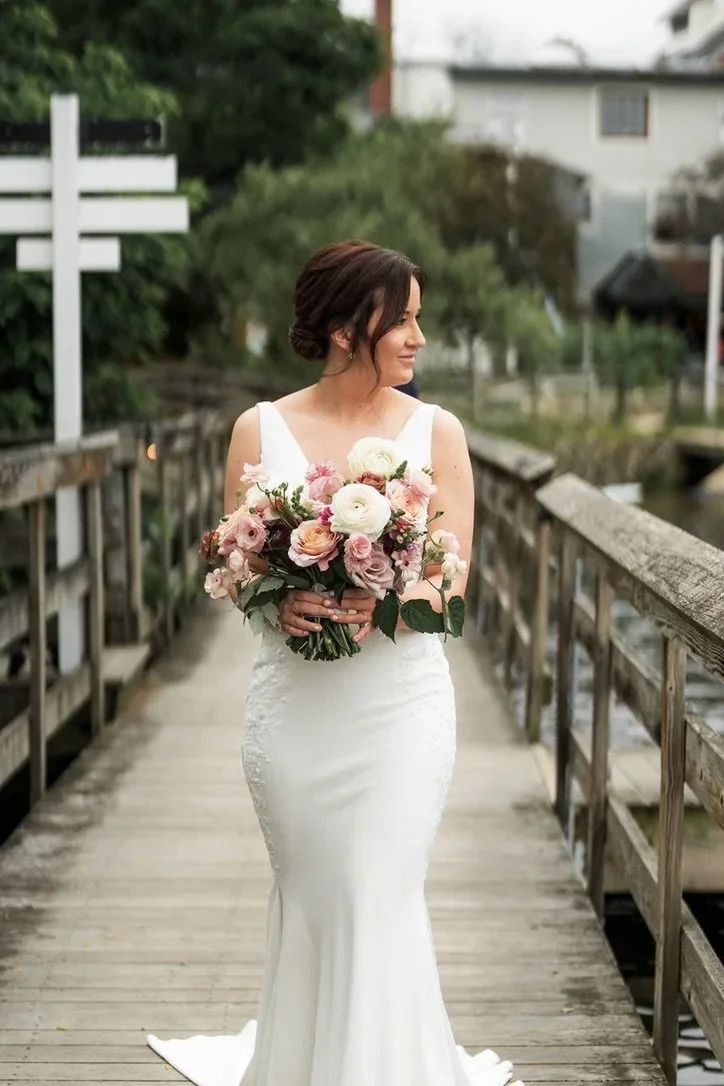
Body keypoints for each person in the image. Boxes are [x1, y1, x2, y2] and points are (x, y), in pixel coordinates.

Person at [147, 241, 521, 1086]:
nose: (420, 336)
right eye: (406, 318)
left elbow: (452, 585)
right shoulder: (261, 428)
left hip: (398, 713)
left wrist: (380, 603)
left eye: (422, 317)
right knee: (319, 893)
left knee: (375, 891)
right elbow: (232, 566)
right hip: (295, 715)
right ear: (351, 327)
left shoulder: (437, 433)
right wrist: (276, 601)